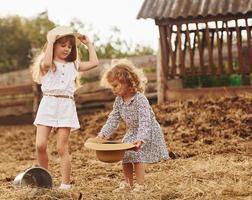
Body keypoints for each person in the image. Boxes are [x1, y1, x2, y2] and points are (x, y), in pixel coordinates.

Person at [31, 26, 99, 190]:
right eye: (63, 45)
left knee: (62, 147)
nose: (67, 48)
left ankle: (65, 184)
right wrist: (50, 40)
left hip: (66, 106)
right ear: (53, 45)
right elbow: (47, 62)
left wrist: (89, 44)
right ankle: (44, 180)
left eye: (70, 46)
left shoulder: (74, 64)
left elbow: (95, 63)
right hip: (48, 104)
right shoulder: (47, 63)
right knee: (40, 145)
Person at [97, 59, 169, 193]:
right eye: (112, 86)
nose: (113, 89)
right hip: (132, 131)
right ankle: (128, 183)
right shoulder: (119, 100)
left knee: (137, 154)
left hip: (147, 131)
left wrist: (141, 138)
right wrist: (103, 134)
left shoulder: (140, 99)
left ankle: (140, 185)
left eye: (115, 86)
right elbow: (113, 118)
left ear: (128, 83)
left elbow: (145, 121)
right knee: (125, 155)